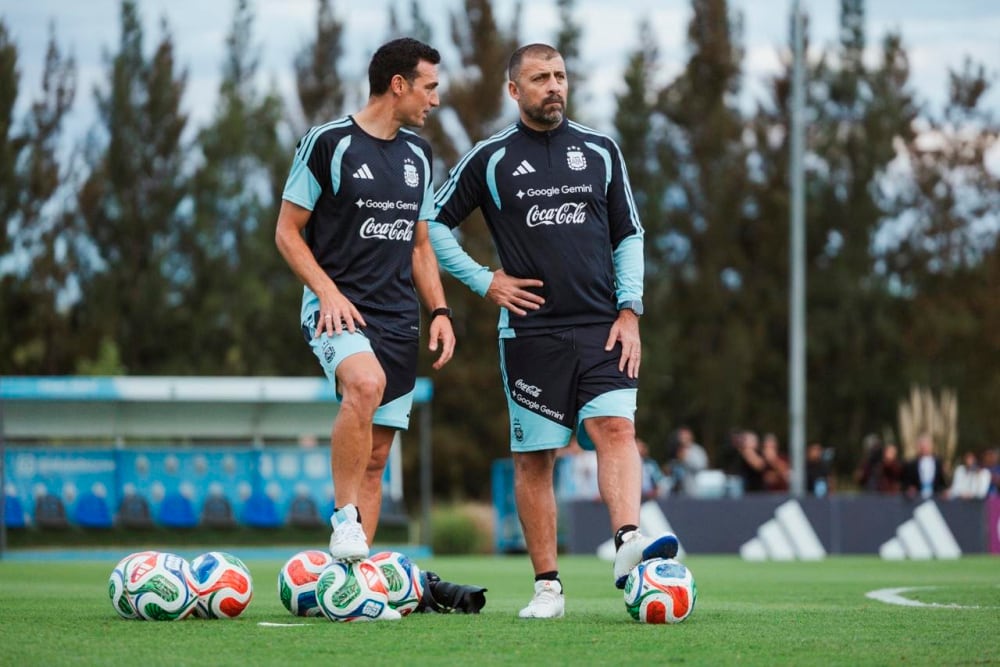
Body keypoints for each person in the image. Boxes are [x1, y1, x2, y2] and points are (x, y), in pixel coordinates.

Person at [427, 43, 677, 619]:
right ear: (514, 90)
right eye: (540, 77)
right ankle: (548, 589)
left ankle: (626, 543)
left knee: (615, 427)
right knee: (536, 459)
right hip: (530, 335)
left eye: (560, 75)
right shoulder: (490, 157)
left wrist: (630, 309)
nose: (554, 85)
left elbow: (628, 235)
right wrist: (483, 280)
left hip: (602, 325)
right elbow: (433, 224)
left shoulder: (601, 150)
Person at [274, 37, 456, 594]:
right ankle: (344, 520)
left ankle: (351, 590)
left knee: (377, 460)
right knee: (364, 381)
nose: (435, 101)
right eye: (430, 87)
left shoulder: (419, 157)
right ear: (398, 84)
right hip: (338, 310)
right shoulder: (326, 143)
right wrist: (327, 293)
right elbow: (287, 232)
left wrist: (441, 311)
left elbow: (420, 246)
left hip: (400, 318)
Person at [900, 433, 947, 500]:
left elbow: (942, 482)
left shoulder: (938, 462)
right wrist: (910, 489)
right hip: (917, 498)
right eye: (922, 446)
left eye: (926, 445)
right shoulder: (912, 464)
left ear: (931, 446)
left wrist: (943, 491)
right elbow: (906, 482)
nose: (924, 448)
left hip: (935, 498)